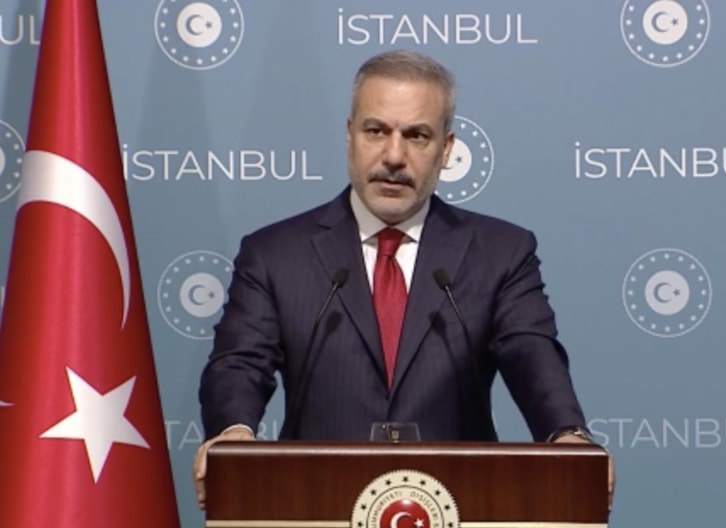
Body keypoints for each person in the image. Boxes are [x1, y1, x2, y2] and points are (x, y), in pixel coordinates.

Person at [193, 49, 614, 509]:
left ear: (446, 149)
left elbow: (531, 354)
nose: (394, 156)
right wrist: (233, 431)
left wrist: (566, 434)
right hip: (313, 502)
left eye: (416, 135)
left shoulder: (501, 253)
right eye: (376, 131)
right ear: (349, 135)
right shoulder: (275, 254)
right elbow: (240, 363)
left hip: (462, 504)